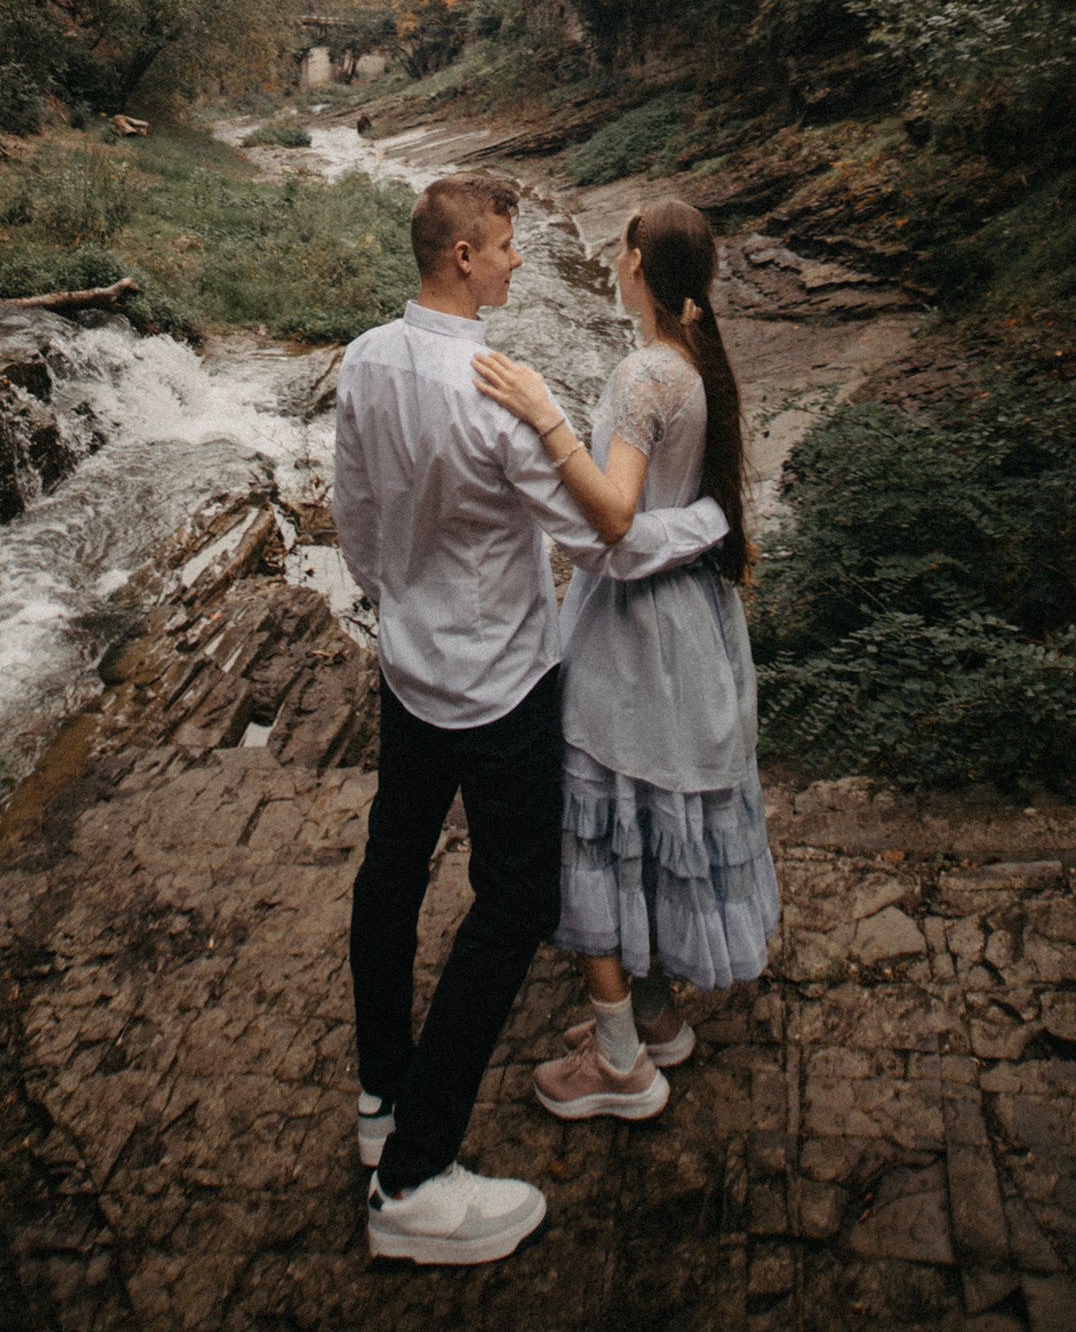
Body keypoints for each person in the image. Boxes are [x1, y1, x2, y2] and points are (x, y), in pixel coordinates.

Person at [332, 172, 730, 1269]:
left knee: (392, 870)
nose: (515, 259)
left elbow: (353, 522)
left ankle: (378, 1091)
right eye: (504, 245)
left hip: (408, 673)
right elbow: (600, 534)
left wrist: (400, 603)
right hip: (502, 685)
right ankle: (412, 1177)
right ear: (461, 255)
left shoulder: (364, 359)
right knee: (512, 904)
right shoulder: (502, 388)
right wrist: (703, 523)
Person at [471, 195, 780, 1121]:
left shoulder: (645, 373)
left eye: (622, 249)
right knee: (651, 814)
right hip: (692, 627)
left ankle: (618, 1063)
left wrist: (541, 412)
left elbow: (609, 522)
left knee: (596, 827)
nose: (613, 260)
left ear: (639, 264)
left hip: (635, 634)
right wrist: (704, 526)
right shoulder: (693, 360)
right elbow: (676, 510)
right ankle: (653, 1019)